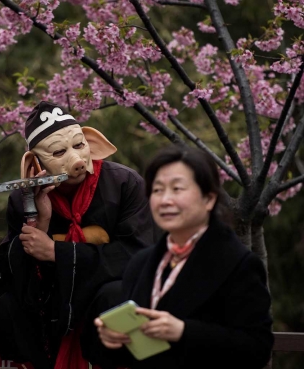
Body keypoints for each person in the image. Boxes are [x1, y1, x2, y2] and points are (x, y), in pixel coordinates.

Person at [0, 101, 156, 369]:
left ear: (91, 141)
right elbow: (16, 276)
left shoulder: (125, 184)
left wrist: (58, 252)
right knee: (9, 306)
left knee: (116, 294)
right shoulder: (22, 199)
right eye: (58, 151)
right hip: (54, 306)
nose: (77, 159)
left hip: (107, 303)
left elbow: (137, 254)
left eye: (79, 145)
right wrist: (40, 222)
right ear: (35, 162)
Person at [81, 145, 274, 369]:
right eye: (157, 190)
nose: (165, 200)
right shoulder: (142, 263)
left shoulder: (238, 264)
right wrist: (110, 341)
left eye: (177, 189)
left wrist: (184, 331)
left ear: (209, 199)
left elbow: (257, 348)